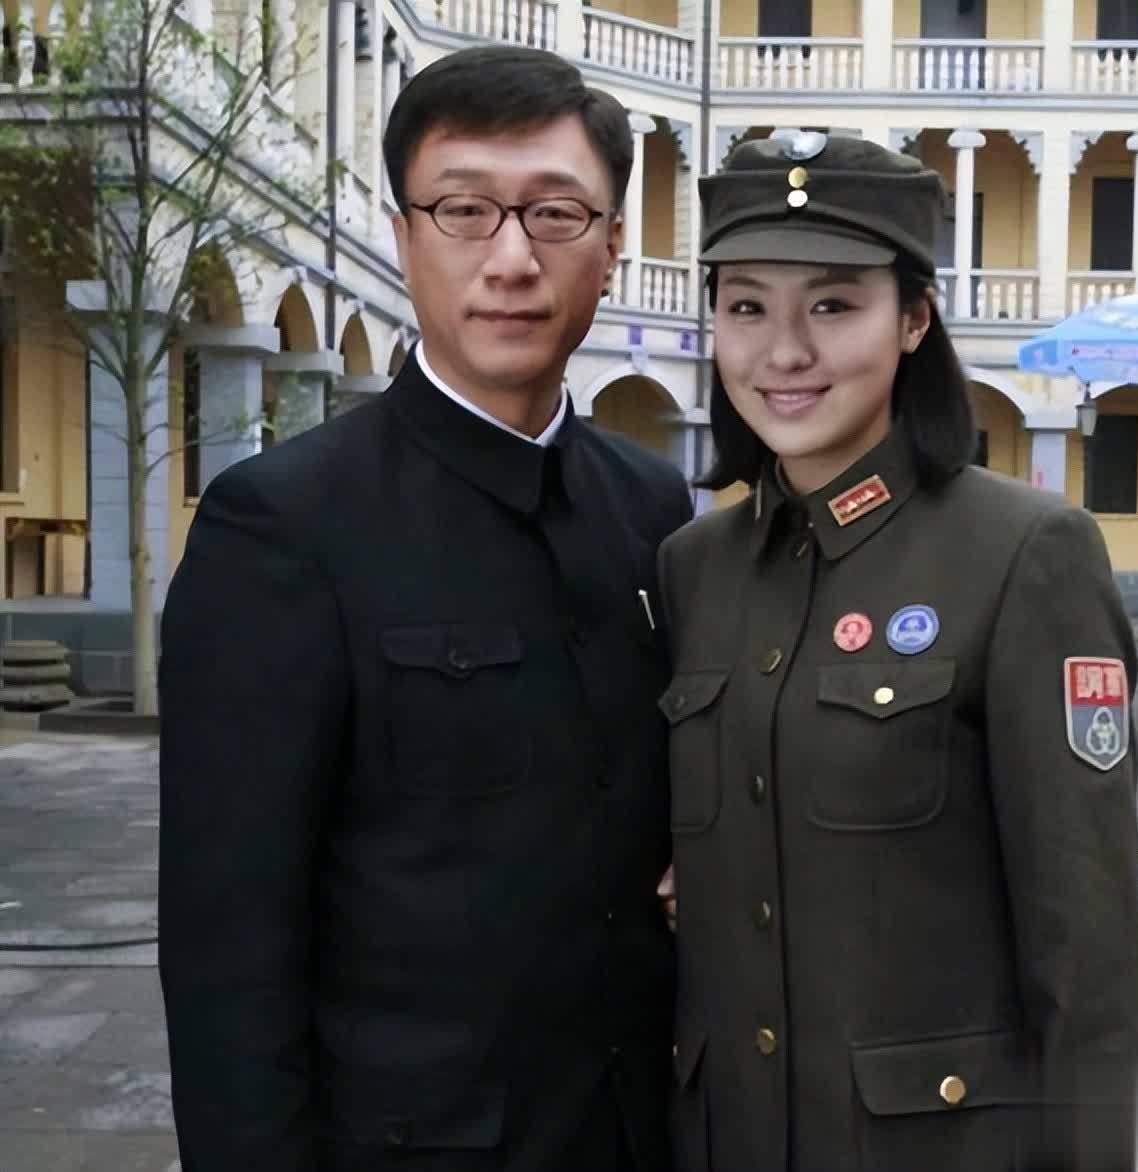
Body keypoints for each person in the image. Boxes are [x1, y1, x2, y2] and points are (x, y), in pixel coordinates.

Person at [158, 44, 691, 1172]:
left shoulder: (650, 507)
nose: (511, 258)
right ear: (404, 237)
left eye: (556, 214)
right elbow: (228, 942)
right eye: (464, 210)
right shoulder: (285, 525)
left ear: (611, 248)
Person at [657, 133, 1138, 1172]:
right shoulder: (694, 567)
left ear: (915, 318)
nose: (784, 351)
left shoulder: (1024, 553)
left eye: (833, 305)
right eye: (746, 307)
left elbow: (1086, 954)